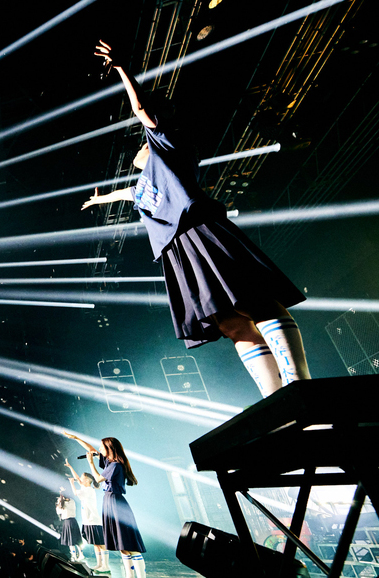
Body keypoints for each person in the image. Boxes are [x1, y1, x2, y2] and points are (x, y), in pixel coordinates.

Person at [81, 40, 310, 399]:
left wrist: (123, 69)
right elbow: (127, 193)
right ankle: (276, 397)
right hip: (175, 249)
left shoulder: (168, 144)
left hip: (197, 230)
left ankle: (300, 383)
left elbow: (140, 109)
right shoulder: (145, 183)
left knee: (253, 300)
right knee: (229, 321)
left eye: (143, 142)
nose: (140, 147)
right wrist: (100, 199)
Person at [66, 433, 150, 578]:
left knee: (130, 545)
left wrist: (91, 463)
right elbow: (92, 449)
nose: (99, 449)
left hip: (116, 502)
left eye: (102, 447)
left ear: (109, 448)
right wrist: (77, 439)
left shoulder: (116, 465)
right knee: (122, 545)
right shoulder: (109, 463)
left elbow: (98, 478)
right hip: (109, 502)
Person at [64, 460, 108, 573]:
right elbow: (77, 478)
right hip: (88, 521)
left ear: (87, 480)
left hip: (94, 520)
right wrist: (70, 467)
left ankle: (106, 565)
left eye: (83, 478)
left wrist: (72, 483)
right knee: (96, 544)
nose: (80, 479)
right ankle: (99, 564)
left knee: (101, 544)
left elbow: (75, 492)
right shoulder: (85, 488)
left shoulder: (88, 490)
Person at [55, 490, 84, 563]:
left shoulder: (65, 503)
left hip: (68, 521)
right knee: (75, 540)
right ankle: (79, 554)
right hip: (72, 521)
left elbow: (58, 511)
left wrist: (59, 502)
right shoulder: (71, 501)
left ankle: (75, 556)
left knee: (71, 541)